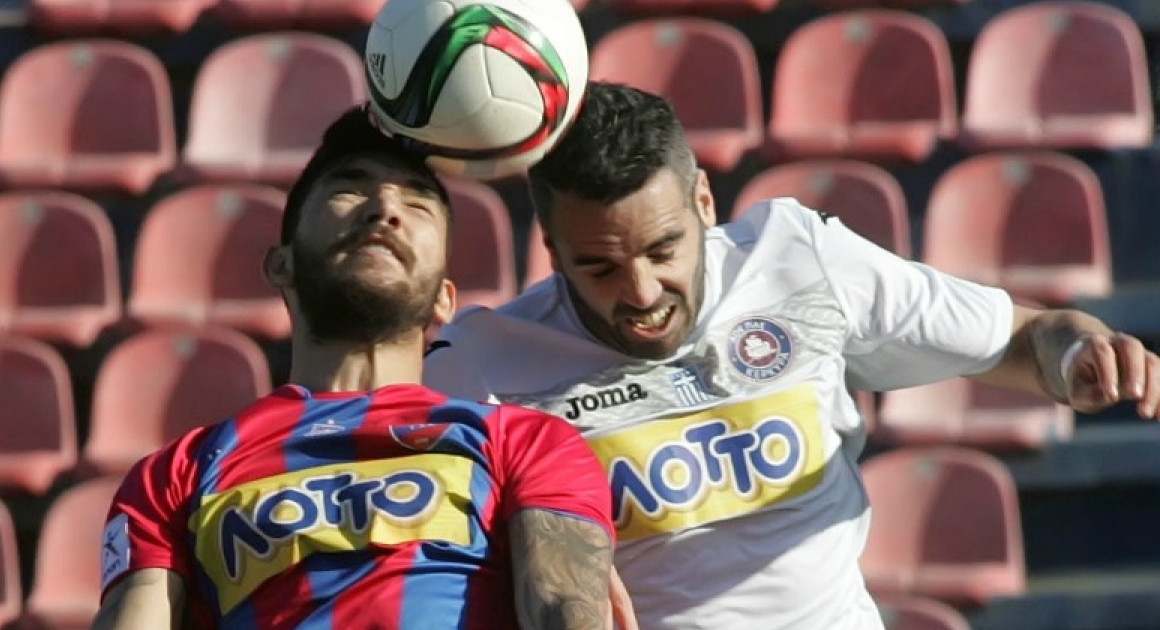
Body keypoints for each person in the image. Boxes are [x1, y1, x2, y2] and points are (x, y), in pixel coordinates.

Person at [423, 81, 1160, 630]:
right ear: (551, 251)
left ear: (704, 202)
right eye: (600, 267)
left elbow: (1026, 336)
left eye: (663, 249)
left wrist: (1079, 351)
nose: (641, 292)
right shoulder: (483, 365)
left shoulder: (800, 260)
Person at [91, 104, 620, 630]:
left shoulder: (524, 443)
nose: (385, 208)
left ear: (445, 298)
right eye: (349, 188)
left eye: (417, 202)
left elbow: (561, 605)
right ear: (282, 263)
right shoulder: (176, 474)